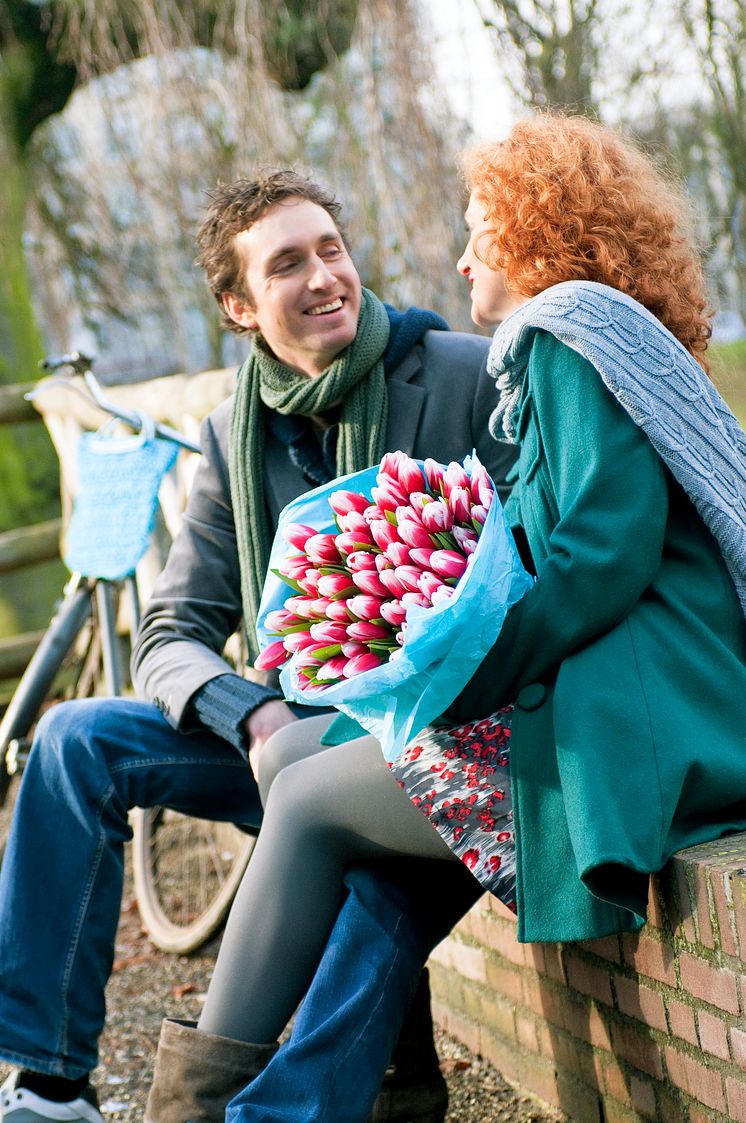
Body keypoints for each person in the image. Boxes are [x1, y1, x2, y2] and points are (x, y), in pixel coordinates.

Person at [175, 114, 744, 1123]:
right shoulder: (577, 341)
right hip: (619, 695)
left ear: (533, 239)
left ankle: (195, 1110)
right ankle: (325, 1089)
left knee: (306, 800)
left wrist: (453, 675)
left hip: (642, 727)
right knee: (310, 761)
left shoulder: (567, 338)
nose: (463, 251)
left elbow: (594, 562)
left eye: (481, 226)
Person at [0, 170, 516, 1123]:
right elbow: (171, 630)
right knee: (76, 741)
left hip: (428, 742)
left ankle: (323, 1101)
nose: (325, 276)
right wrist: (254, 710)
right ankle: (48, 1078)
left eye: (332, 249)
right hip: (279, 736)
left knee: (372, 853)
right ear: (240, 306)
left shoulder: (457, 373)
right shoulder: (233, 434)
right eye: (287, 264)